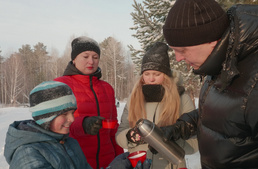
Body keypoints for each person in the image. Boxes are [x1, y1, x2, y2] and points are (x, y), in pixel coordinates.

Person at [160, 0, 258, 168]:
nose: (177, 58)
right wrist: (178, 128)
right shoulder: (221, 62)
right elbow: (223, 112)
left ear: (211, 39)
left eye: (182, 50)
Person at [116, 42, 198, 169]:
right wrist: (130, 136)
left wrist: (173, 138)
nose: (151, 79)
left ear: (166, 75)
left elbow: (195, 144)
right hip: (140, 165)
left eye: (157, 74)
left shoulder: (181, 98)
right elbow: (120, 134)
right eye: (147, 74)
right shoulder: (133, 99)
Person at [54, 36, 124, 169]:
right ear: (74, 59)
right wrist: (83, 124)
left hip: (108, 162)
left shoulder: (107, 88)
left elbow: (113, 128)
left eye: (95, 57)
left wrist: (120, 158)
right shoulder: (60, 84)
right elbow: (53, 126)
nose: (91, 61)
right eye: (85, 56)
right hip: (76, 161)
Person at [4, 81, 92, 169]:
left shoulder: (71, 143)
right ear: (45, 118)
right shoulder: (28, 154)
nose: (72, 119)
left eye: (72, 113)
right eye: (64, 114)